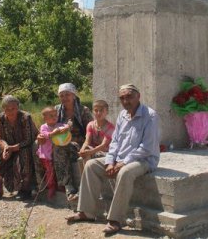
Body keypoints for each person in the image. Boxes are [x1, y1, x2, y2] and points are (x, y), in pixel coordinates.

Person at [66, 83, 160, 235]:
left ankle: (115, 220)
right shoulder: (122, 115)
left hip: (144, 160)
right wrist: (110, 161)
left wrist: (123, 162)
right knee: (90, 165)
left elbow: (147, 147)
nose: (125, 101)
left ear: (138, 96)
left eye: (129, 96)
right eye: (122, 98)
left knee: (125, 172)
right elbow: (115, 142)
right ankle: (86, 212)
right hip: (121, 158)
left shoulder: (150, 116)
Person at [47, 82, 93, 201]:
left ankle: (69, 187)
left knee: (60, 147)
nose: (64, 98)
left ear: (74, 95)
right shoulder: (56, 110)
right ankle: (60, 185)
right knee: (40, 146)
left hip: (79, 144)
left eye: (67, 94)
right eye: (61, 95)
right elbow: (48, 125)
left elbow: (91, 130)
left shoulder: (83, 110)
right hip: (59, 140)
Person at [0, 95, 38, 201]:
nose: (10, 111)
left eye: (13, 108)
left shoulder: (25, 117)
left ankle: (24, 189)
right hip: (9, 146)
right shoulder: (1, 118)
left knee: (24, 155)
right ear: (3, 109)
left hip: (24, 146)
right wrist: (5, 148)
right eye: (7, 109)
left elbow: (29, 139)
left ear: (18, 107)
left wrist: (14, 148)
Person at [36, 106, 71, 199]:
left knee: (58, 169)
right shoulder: (44, 127)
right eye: (51, 116)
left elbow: (66, 126)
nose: (54, 117)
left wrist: (67, 127)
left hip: (57, 153)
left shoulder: (59, 125)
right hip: (46, 154)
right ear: (45, 118)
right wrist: (53, 133)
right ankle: (51, 186)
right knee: (50, 171)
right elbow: (45, 135)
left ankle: (60, 184)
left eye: (55, 115)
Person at [79, 99, 115, 165]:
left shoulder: (110, 127)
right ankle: (86, 175)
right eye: (96, 110)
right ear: (93, 112)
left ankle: (87, 175)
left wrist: (90, 152)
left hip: (106, 153)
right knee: (82, 157)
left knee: (86, 156)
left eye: (101, 110)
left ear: (106, 112)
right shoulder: (90, 125)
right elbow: (87, 141)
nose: (98, 113)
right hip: (92, 151)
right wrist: (82, 150)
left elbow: (103, 145)